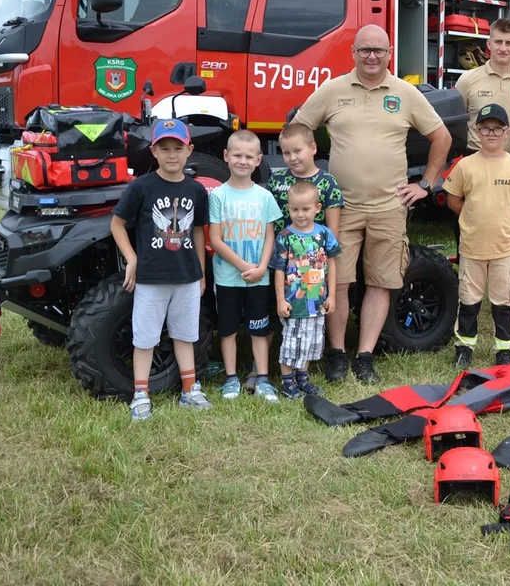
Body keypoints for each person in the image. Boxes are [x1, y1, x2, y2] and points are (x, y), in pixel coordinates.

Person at [292, 24, 452, 383]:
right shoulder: (333, 90)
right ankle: (336, 354)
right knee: (339, 282)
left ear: (390, 53)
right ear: (353, 52)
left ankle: (364, 356)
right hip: (340, 207)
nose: (372, 56)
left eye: (379, 50)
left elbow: (440, 136)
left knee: (381, 282)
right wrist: (309, 177)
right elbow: (300, 129)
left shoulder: (405, 94)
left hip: (389, 207)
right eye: (365, 49)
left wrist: (426, 183)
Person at [110, 118, 210, 422]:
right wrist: (132, 258)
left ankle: (189, 389)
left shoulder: (196, 190)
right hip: (151, 278)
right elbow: (117, 224)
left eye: (178, 148)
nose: (171, 155)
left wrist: (202, 272)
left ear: (189, 149)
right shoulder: (141, 187)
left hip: (187, 277)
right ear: (153, 151)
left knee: (184, 335)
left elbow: (198, 232)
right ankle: (141, 393)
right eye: (164, 148)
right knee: (145, 337)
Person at [453, 18, 510, 335]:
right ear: (488, 44)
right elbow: (457, 124)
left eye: (509, 42)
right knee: (469, 238)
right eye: (498, 41)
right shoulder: (468, 80)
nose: (503, 48)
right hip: (474, 163)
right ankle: (466, 309)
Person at [443, 103, 510, 369]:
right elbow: (453, 200)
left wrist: (503, 216)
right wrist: (473, 217)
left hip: (504, 247)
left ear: (507, 133)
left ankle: (504, 348)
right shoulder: (465, 166)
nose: (491, 134)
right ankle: (464, 346)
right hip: (472, 246)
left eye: (497, 129)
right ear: (477, 132)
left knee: (504, 301)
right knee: (469, 300)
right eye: (486, 128)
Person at [207, 129, 283, 401]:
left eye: (249, 156)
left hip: (258, 277)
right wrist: (243, 266)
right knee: (227, 328)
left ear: (259, 159)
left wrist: (262, 267)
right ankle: (230, 379)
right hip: (228, 277)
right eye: (237, 155)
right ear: (226, 156)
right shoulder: (218, 196)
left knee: (259, 328)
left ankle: (262, 378)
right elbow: (215, 239)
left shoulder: (264, 197)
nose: (242, 161)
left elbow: (269, 235)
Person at [269, 180, 342, 398]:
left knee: (311, 341)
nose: (300, 214)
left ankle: (303, 378)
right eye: (294, 209)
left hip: (317, 300)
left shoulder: (324, 234)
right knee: (292, 343)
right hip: (294, 301)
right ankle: (287, 382)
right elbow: (279, 270)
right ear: (288, 208)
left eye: (305, 209)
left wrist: (332, 296)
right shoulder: (284, 237)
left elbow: (332, 264)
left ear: (317, 208)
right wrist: (281, 300)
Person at [266, 121, 344, 237]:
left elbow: (333, 228)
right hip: (281, 251)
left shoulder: (328, 182)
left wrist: (330, 254)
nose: (292, 158)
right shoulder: (276, 180)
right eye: (286, 153)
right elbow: (268, 222)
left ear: (313, 148)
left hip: (315, 252)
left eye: (297, 151)